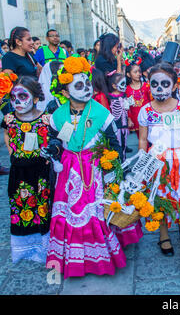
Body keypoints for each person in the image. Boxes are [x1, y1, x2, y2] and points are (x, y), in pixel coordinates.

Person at [46, 56, 127, 278]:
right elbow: (55, 141)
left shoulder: (102, 113)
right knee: (70, 213)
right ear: (65, 92)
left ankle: (101, 256)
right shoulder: (58, 116)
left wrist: (112, 165)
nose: (86, 89)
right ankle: (74, 258)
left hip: (95, 168)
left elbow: (114, 143)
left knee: (97, 211)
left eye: (87, 84)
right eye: (79, 86)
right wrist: (53, 150)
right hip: (70, 169)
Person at [138, 62, 180, 256]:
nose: (159, 89)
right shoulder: (145, 111)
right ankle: (163, 234)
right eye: (154, 84)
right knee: (160, 197)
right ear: (149, 85)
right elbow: (143, 140)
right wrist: (142, 166)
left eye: (164, 84)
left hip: (179, 159)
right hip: (156, 161)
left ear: (174, 85)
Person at [1, 75, 51, 263]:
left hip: (40, 173)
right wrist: (11, 152)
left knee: (42, 207)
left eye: (23, 97)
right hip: (19, 173)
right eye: (13, 98)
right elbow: (7, 136)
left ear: (36, 98)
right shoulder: (9, 119)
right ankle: (23, 248)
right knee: (21, 208)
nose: (17, 102)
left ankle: (43, 247)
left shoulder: (45, 119)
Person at [125, 62, 151, 137]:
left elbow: (152, 101)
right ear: (128, 75)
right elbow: (128, 107)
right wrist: (129, 119)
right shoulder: (127, 89)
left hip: (148, 117)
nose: (138, 74)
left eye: (139, 71)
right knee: (141, 138)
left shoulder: (146, 86)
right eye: (135, 72)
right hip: (136, 119)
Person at [107, 72, 128, 161]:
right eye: (122, 84)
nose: (125, 86)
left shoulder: (124, 95)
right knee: (117, 146)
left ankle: (124, 162)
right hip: (116, 126)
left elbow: (127, 110)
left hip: (125, 126)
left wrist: (129, 119)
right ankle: (119, 165)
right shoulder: (110, 97)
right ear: (114, 86)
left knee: (124, 145)